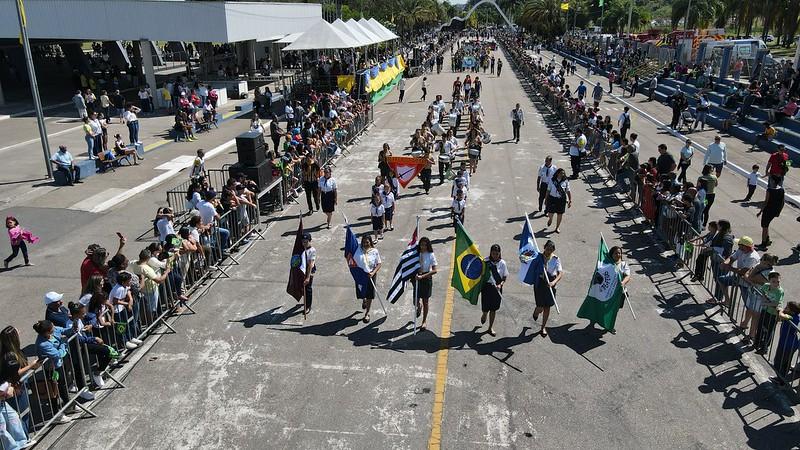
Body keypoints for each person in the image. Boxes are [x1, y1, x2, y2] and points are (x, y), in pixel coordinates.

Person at [708, 236, 760, 307]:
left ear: (744, 246)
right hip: (738, 278)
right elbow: (732, 257)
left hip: (747, 283)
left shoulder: (752, 257)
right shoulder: (741, 250)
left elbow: (743, 271)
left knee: (749, 305)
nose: (738, 245)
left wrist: (729, 268)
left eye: (739, 244)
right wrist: (726, 262)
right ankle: (727, 301)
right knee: (721, 280)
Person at [532, 240, 562, 337]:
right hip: (540, 284)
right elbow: (532, 267)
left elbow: (560, 273)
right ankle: (536, 312)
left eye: (551, 249)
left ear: (553, 250)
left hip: (551, 284)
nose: (548, 251)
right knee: (540, 308)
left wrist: (554, 282)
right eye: (547, 248)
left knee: (547, 307)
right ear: (544, 247)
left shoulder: (556, 259)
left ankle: (543, 327)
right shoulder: (538, 257)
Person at [480, 244, 507, 336]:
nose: (495, 255)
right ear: (490, 252)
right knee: (486, 308)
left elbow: (504, 277)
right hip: (487, 287)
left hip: (497, 288)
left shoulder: (502, 263)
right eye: (493, 253)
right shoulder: (485, 261)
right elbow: (481, 275)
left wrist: (500, 285)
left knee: (493, 309)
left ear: (500, 253)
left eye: (497, 253)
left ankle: (490, 327)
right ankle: (484, 314)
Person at [771, 299, 798, 386]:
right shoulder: (792, 316)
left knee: (779, 362)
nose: (785, 308)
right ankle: (781, 378)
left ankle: (780, 379)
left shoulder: (792, 317)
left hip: (787, 345)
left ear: (792, 311)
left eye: (787, 307)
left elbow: (782, 316)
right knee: (785, 363)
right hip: (789, 344)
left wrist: (780, 310)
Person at [756, 176, 785, 249]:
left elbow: (766, 202)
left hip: (768, 211)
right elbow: (782, 202)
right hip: (774, 211)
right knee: (767, 225)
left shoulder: (769, 190)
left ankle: (763, 244)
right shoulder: (781, 190)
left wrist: (760, 211)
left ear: (774, 182)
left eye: (771, 180)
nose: (770, 181)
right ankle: (767, 240)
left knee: (764, 227)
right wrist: (779, 211)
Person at [415, 237, 437, 330]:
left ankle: (424, 321)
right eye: (421, 244)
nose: (423, 247)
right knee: (415, 300)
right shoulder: (416, 254)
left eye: (424, 245)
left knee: (425, 301)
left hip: (426, 278)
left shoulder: (431, 255)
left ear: (428, 245)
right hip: (416, 277)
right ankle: (418, 306)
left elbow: (435, 270)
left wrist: (423, 276)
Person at [358, 236, 381, 323]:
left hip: (371, 274)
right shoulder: (359, 251)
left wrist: (373, 272)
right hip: (361, 275)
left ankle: (367, 313)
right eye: (363, 242)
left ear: (370, 242)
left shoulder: (375, 251)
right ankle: (364, 300)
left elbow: (379, 263)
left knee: (370, 294)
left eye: (367, 242)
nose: (365, 244)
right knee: (362, 291)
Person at [546, 168, 571, 233]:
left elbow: (568, 191)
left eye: (563, 173)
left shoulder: (565, 181)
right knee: (550, 213)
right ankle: (550, 219)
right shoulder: (552, 180)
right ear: (557, 173)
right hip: (552, 198)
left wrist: (570, 200)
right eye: (560, 173)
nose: (562, 175)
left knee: (560, 214)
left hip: (561, 200)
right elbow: (548, 190)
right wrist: (546, 199)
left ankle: (557, 227)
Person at [610, 246, 632, 311]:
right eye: (616, 253)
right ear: (612, 254)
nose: (618, 255)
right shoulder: (607, 264)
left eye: (619, 253)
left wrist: (623, 282)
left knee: (615, 310)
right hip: (608, 291)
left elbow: (627, 276)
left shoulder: (623, 264)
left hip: (619, 292)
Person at [301, 232, 316, 315]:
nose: (304, 244)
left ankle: (308, 306)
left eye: (306, 242)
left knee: (308, 288)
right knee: (303, 287)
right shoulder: (302, 248)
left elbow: (310, 264)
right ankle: (305, 300)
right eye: (303, 242)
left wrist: (308, 277)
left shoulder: (312, 250)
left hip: (309, 269)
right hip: (302, 268)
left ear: (310, 241)